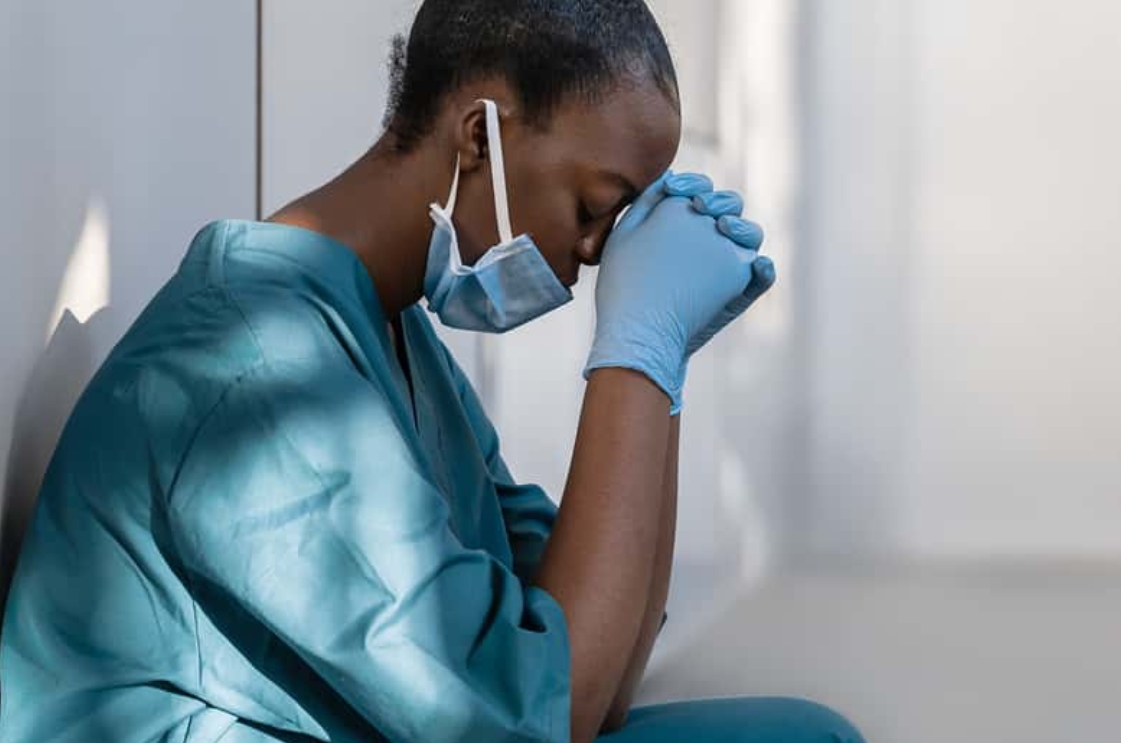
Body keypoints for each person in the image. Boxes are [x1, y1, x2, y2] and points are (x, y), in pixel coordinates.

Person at [0, 2, 864, 742]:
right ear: (478, 132)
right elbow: (540, 713)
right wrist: (632, 349)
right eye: (598, 208)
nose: (602, 254)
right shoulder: (254, 366)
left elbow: (601, 667)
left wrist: (662, 366)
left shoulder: (396, 339)